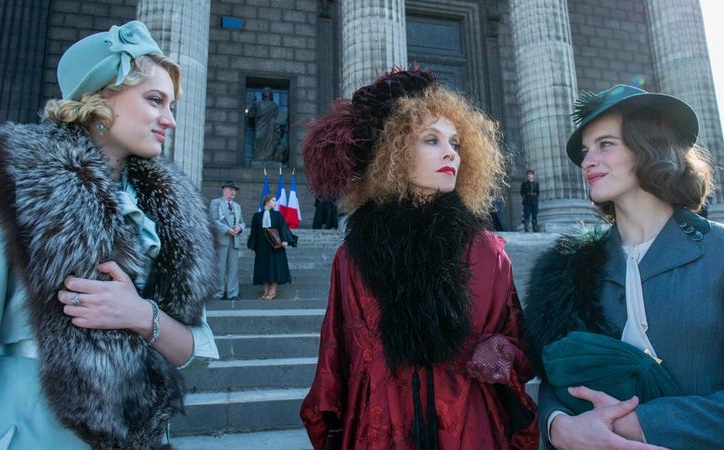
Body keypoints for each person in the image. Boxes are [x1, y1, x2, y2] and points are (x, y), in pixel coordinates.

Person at [523, 84, 724, 449]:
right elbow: (558, 379)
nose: (587, 162)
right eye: (586, 151)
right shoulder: (569, 266)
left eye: (605, 145)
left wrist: (643, 424)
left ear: (648, 147)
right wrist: (558, 426)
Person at [0, 21, 220, 449]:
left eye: (171, 105)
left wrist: (140, 315)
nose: (170, 120)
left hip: (135, 432)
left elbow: (196, 351)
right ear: (99, 100)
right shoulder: (13, 182)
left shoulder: (173, 214)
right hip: (28, 427)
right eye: (155, 101)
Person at [299, 68, 539, 450]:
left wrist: (501, 351)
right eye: (431, 139)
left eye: (456, 143)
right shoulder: (352, 258)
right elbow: (334, 360)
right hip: (377, 430)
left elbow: (520, 345)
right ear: (391, 152)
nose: (450, 152)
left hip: (469, 429)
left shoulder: (488, 253)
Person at [247, 194, 294, 300]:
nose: (275, 202)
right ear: (267, 202)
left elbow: (283, 228)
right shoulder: (257, 216)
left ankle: (272, 292)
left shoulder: (278, 215)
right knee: (263, 268)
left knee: (275, 268)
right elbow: (254, 232)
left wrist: (285, 240)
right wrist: (253, 247)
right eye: (273, 200)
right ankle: (266, 291)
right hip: (262, 247)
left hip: (275, 246)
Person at [210, 180, 246, 300]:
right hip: (222, 239)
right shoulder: (216, 203)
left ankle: (233, 293)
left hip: (234, 240)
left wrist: (239, 228)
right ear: (225, 190)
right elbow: (213, 220)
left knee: (233, 268)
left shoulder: (237, 206)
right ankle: (218, 293)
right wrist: (226, 229)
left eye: (234, 191)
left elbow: (242, 222)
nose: (233, 192)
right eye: (231, 190)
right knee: (220, 267)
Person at [248, 87, 279, 161]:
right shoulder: (258, 103)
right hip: (260, 125)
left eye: (268, 91)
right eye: (264, 91)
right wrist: (252, 106)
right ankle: (257, 157)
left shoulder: (274, 105)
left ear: (270, 94)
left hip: (271, 126)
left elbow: (277, 117)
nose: (266, 92)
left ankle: (269, 157)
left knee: (270, 141)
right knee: (258, 138)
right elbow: (251, 114)